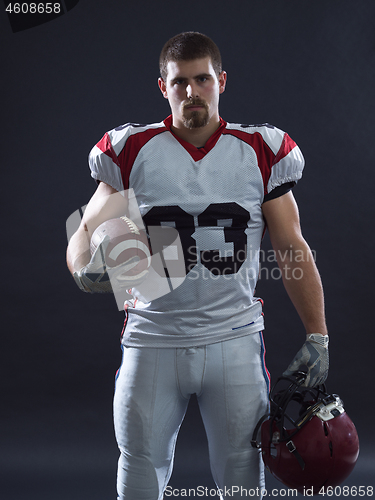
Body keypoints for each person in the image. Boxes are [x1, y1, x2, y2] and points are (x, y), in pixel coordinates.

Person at [66, 32, 329, 500]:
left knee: (243, 477)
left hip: (233, 339)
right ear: (163, 87)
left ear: (221, 81)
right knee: (139, 471)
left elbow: (292, 249)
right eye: (180, 82)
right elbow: (85, 232)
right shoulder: (130, 150)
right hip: (152, 336)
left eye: (202, 79)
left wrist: (318, 335)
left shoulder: (260, 149)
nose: (191, 92)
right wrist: (82, 268)